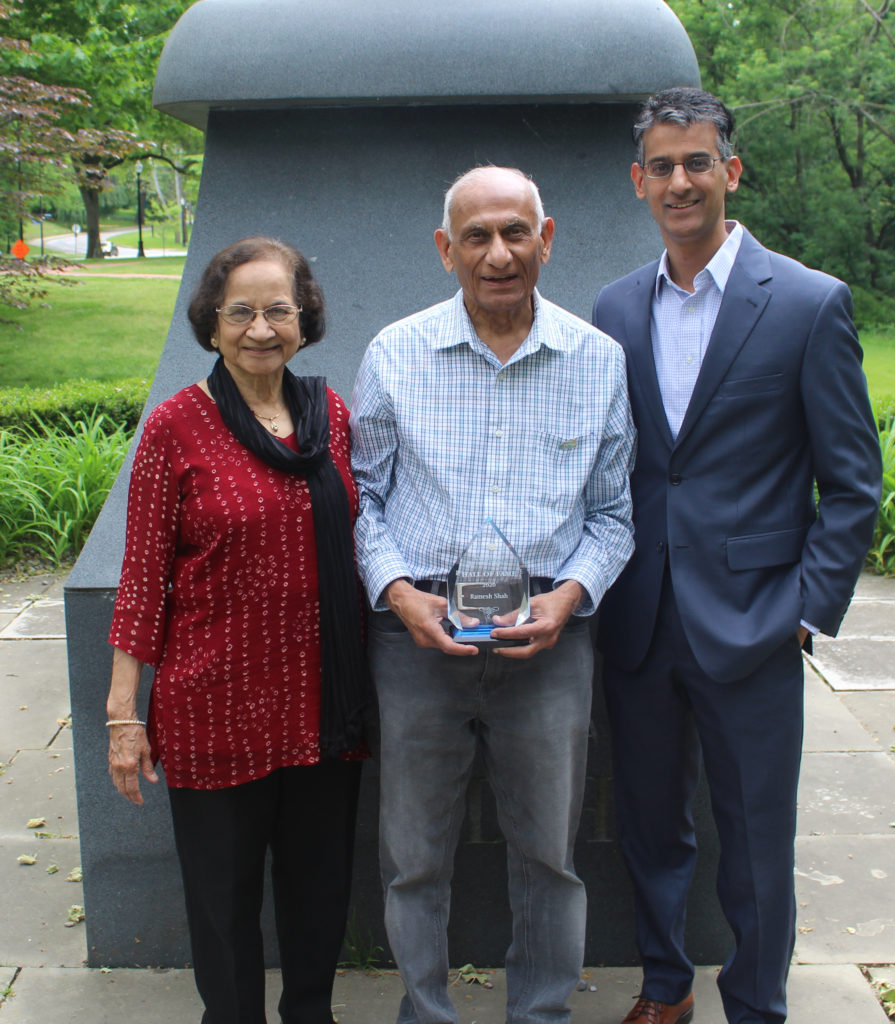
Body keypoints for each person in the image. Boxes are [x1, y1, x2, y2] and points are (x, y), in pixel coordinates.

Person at [592, 88, 883, 1024]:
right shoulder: (614, 307)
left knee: (757, 836)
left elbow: (851, 482)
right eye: (662, 166)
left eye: (698, 162)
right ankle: (665, 985)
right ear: (639, 182)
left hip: (756, 620)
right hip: (638, 615)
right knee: (647, 823)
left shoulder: (804, 302)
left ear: (730, 170)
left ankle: (756, 1003)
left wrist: (805, 610)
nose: (681, 181)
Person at [350, 165, 636, 1024]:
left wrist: (572, 596)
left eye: (516, 232)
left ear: (546, 240)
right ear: (446, 250)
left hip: (549, 640)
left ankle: (541, 1013)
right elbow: (362, 500)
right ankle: (425, 1012)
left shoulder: (597, 360)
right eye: (476, 235)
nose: (498, 252)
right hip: (416, 641)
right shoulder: (394, 354)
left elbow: (615, 514)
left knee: (549, 854)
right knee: (413, 857)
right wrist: (397, 593)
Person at [106, 236, 367, 1024]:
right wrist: (124, 715)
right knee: (222, 907)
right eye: (241, 311)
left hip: (322, 707)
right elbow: (143, 580)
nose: (261, 328)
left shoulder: (331, 416)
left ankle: (310, 1015)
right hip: (213, 708)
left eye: (278, 309)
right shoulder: (175, 428)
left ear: (305, 318)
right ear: (212, 324)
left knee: (319, 889)